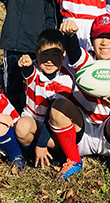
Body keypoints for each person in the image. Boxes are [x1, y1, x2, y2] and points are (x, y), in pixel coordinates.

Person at [49, 14, 110, 181]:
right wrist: (69, 35)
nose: (104, 42)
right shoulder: (87, 60)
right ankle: (73, 159)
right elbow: (74, 52)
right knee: (58, 106)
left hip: (109, 134)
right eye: (99, 37)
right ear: (91, 40)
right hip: (81, 129)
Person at [13, 29, 74, 168]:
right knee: (21, 128)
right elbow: (28, 71)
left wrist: (41, 144)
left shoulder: (66, 78)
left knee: (52, 143)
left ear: (63, 55)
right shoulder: (34, 68)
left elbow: (51, 114)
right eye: (44, 54)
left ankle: (50, 155)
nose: (49, 60)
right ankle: (30, 156)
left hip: (52, 122)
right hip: (32, 117)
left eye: (55, 55)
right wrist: (25, 63)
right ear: (36, 52)